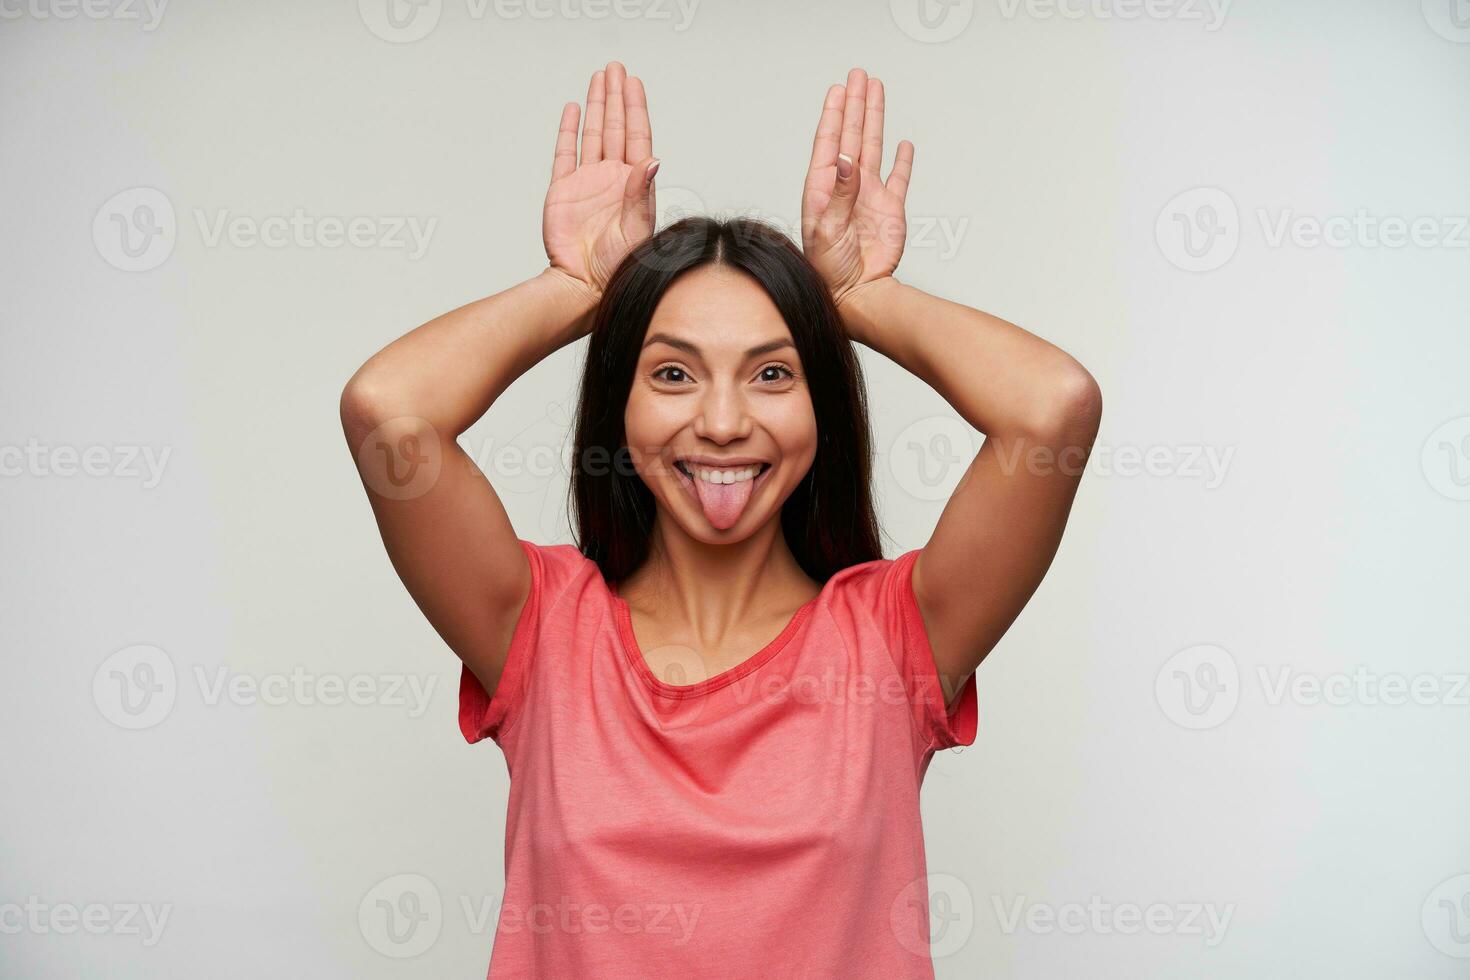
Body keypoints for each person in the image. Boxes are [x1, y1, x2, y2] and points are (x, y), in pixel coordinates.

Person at [340, 60, 1101, 980]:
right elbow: (389, 412)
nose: (724, 421)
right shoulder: (538, 630)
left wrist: (859, 298)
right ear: (619, 409)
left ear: (823, 407)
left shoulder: (898, 638)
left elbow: (1052, 409)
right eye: (672, 373)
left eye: (774, 373)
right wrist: (579, 287)